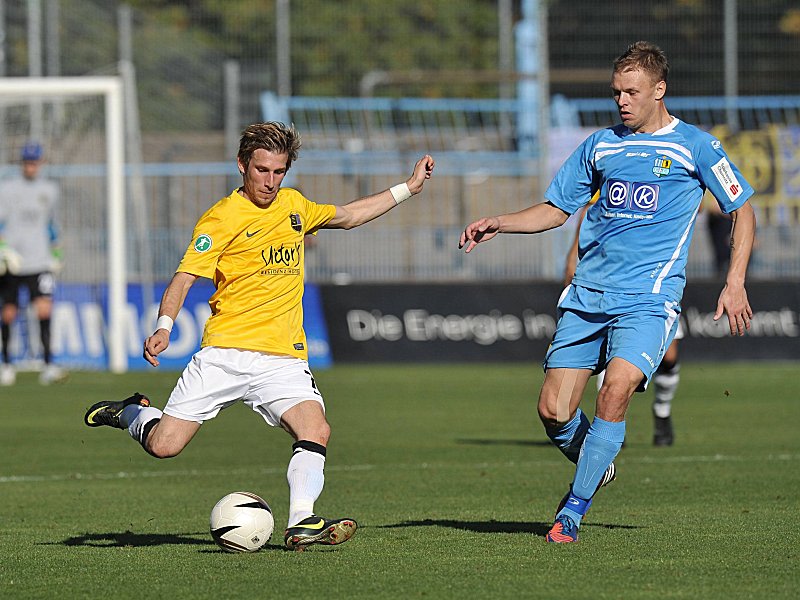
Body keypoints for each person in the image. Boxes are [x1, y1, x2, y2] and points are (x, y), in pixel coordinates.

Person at [84, 122, 435, 551]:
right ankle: (133, 413)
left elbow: (349, 215)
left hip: (282, 358)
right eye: (262, 170)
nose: (269, 181)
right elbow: (184, 278)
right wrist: (164, 327)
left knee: (316, 428)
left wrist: (409, 189)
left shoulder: (294, 206)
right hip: (225, 354)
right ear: (242, 165)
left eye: (279, 171)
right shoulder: (222, 217)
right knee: (164, 446)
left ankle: (301, 521)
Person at [459, 41, 755, 543]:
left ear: (659, 90)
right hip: (587, 296)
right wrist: (500, 223)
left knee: (615, 392)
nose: (622, 101)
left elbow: (742, 208)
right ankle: (596, 462)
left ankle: (573, 509)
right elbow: (555, 210)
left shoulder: (697, 146)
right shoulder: (599, 146)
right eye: (617, 91)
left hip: (649, 299)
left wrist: (734, 281)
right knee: (553, 411)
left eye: (632, 92)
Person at [564, 204, 681, 447]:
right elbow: (574, 256)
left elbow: (695, 203)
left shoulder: (660, 191)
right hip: (607, 295)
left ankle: (662, 411)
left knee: (669, 358)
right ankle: (609, 426)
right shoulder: (594, 208)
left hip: (654, 291)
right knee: (611, 360)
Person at [0, 141, 66, 386]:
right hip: (13, 263)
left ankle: (49, 365)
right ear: (22, 163)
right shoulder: (7, 190)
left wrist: (56, 252)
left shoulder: (49, 190)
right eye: (27, 162)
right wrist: (3, 249)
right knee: (8, 312)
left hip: (40, 261)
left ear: (40, 163)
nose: (31, 167)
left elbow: (52, 224)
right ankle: (6, 364)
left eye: (34, 162)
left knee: (44, 309)